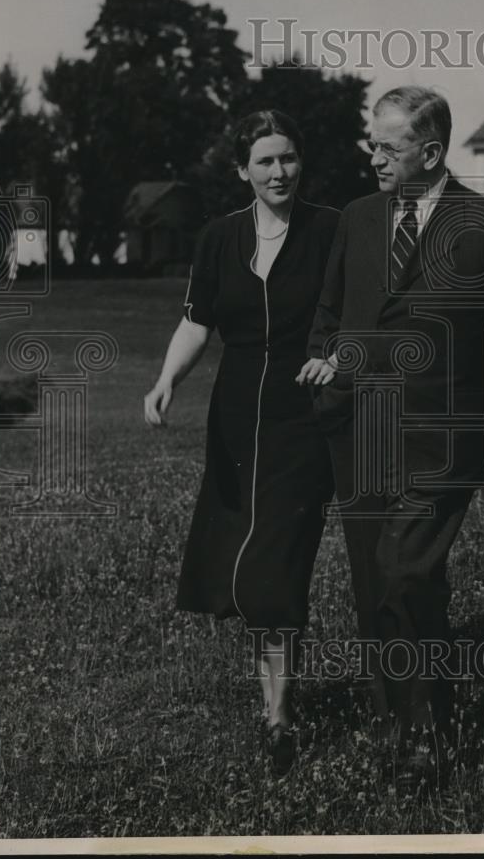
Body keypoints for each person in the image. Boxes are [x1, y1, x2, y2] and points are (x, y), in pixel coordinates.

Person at [298, 86, 484, 790]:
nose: (374, 157)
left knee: (406, 570)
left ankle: (428, 739)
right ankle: (397, 720)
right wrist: (324, 375)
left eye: (389, 147)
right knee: (381, 586)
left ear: (430, 152)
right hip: (358, 432)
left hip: (443, 438)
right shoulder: (358, 218)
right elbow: (331, 312)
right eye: (372, 144)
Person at [144, 110, 339, 776]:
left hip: (303, 424)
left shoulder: (330, 231)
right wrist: (167, 379)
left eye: (287, 158)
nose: (278, 172)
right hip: (233, 425)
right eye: (265, 161)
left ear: (300, 163)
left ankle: (280, 714)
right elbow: (196, 322)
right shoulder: (219, 237)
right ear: (242, 170)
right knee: (243, 573)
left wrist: (339, 357)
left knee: (274, 567)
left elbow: (361, 315)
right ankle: (273, 706)